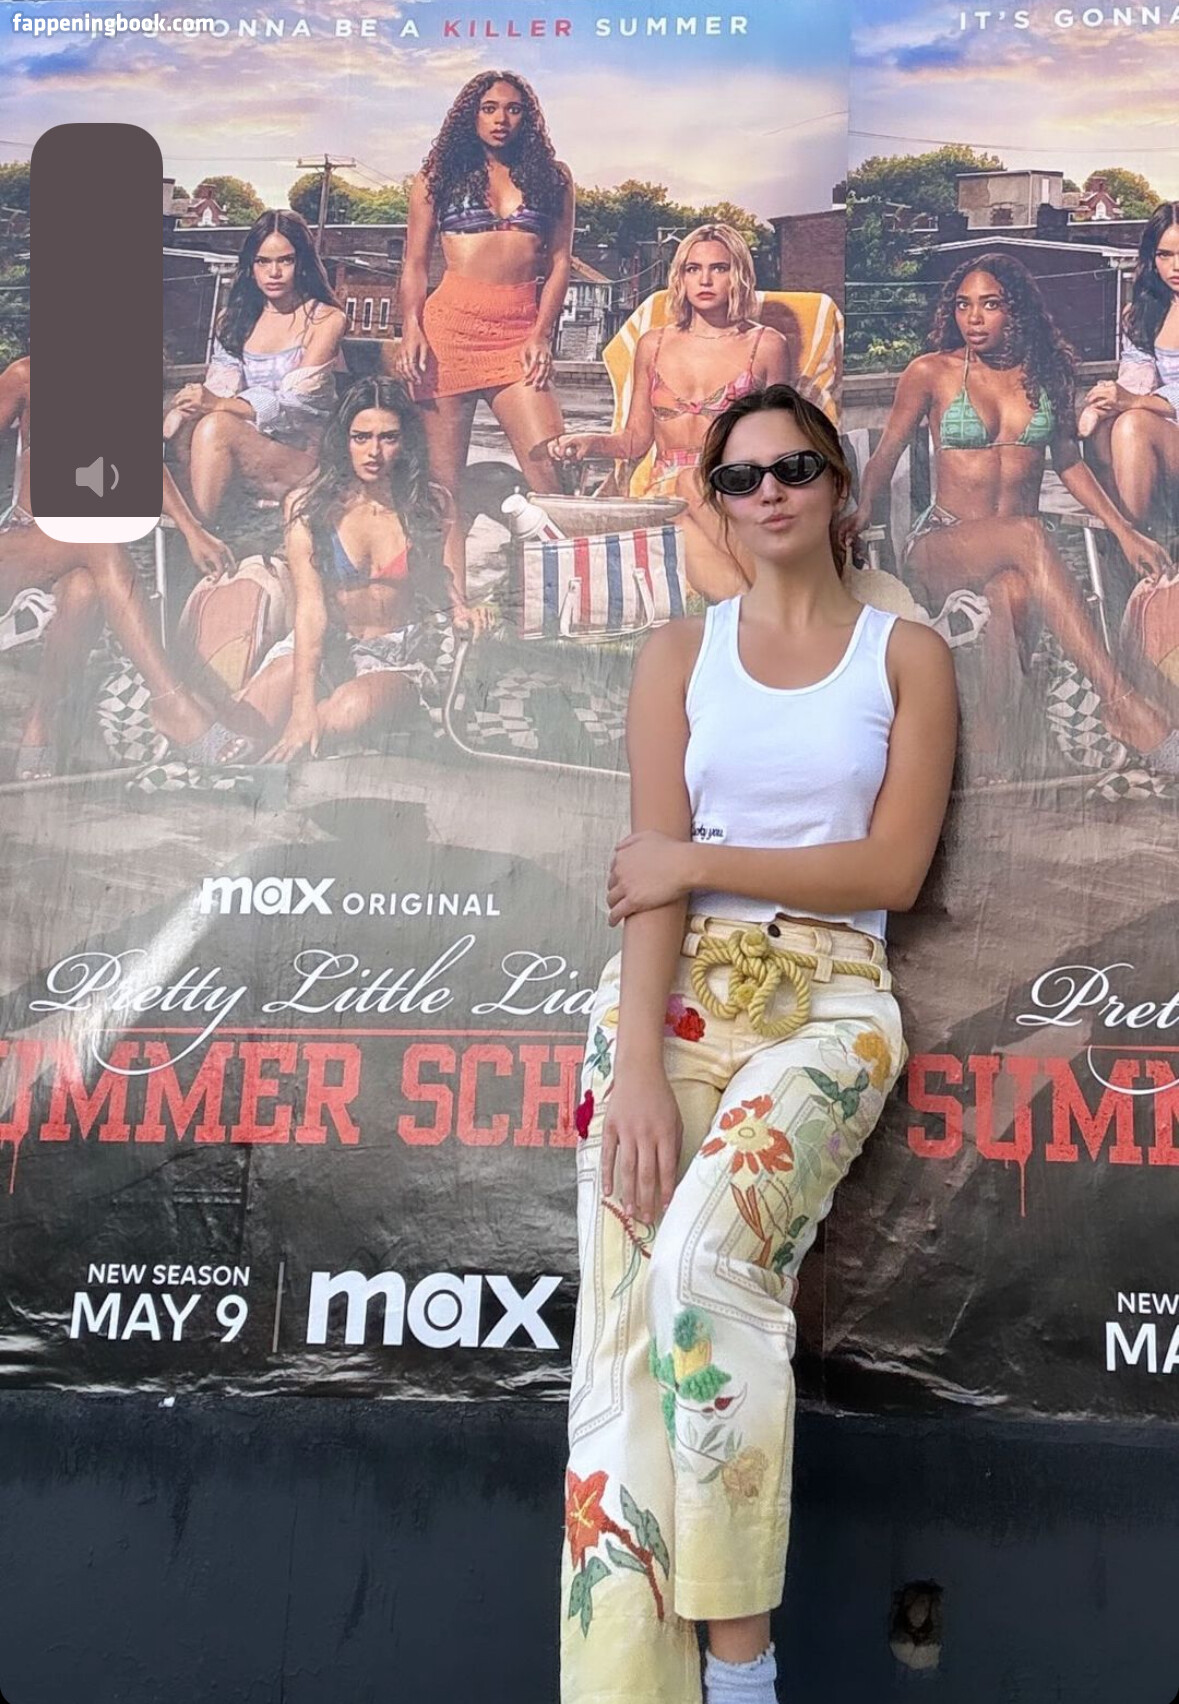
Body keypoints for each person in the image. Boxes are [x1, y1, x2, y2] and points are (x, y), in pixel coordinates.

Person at [561, 384, 957, 1704]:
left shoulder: (904, 657)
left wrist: (697, 859)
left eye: (793, 467)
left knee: (701, 1268)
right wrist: (631, 1066)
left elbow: (890, 869)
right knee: (620, 1347)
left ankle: (740, 1668)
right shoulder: (678, 654)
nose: (768, 491)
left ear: (839, 485)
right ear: (717, 503)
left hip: (831, 1002)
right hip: (669, 1003)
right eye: (739, 477)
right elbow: (647, 885)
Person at [846, 252, 1179, 772]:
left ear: (1016, 310)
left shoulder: (1045, 375)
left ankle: (992, 748)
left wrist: (1124, 531)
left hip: (1023, 554)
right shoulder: (931, 372)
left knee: (1014, 591)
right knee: (1028, 533)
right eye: (963, 305)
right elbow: (887, 452)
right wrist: (862, 510)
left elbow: (1068, 463)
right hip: (944, 544)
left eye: (990, 304)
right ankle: (1123, 704)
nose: (973, 318)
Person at [0, 356, 245, 779]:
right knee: (97, 539)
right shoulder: (27, 376)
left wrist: (192, 530)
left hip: (75, 555)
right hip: (19, 546)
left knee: (85, 589)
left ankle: (39, 726)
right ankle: (170, 700)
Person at [552, 223, 793, 602]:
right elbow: (635, 441)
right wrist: (590, 441)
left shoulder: (766, 346)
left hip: (735, 485)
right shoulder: (654, 344)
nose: (705, 280)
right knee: (676, 508)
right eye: (693, 269)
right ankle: (765, 606)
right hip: (665, 490)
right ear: (680, 277)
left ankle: (765, 603)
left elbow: (780, 440)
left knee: (690, 482)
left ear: (740, 275)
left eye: (719, 268)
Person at [235, 378, 463, 761]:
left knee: (343, 714)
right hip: (323, 644)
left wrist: (461, 606)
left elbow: (439, 577)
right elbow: (310, 608)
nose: (374, 452)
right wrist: (302, 707)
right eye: (361, 437)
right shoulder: (309, 506)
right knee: (242, 728)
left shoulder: (429, 505)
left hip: (394, 654)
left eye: (388, 438)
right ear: (344, 440)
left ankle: (281, 766)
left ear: (406, 442)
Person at [397, 70, 574, 543]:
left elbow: (559, 263)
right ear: (470, 116)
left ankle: (559, 583)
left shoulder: (553, 178)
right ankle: (452, 590)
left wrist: (541, 334)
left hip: (518, 336)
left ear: (527, 118)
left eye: (513, 109)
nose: (501, 119)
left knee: (551, 474)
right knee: (443, 492)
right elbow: (415, 264)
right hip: (448, 336)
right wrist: (411, 328)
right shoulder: (437, 178)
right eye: (489, 108)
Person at [166, 209, 347, 524]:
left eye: (285, 260)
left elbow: (297, 405)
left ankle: (196, 536)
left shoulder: (326, 319)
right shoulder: (233, 319)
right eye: (263, 261)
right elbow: (220, 387)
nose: (273, 272)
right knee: (182, 424)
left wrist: (220, 404)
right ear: (251, 266)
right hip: (241, 444)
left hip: (301, 456)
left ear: (302, 263)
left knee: (217, 425)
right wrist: (184, 410)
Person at [1080, 202, 1179, 534]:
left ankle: (1135, 546)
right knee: (1103, 428)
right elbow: (1136, 376)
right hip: (1168, 444)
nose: (1175, 266)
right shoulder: (1141, 313)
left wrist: (1135, 402)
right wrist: (1107, 402)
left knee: (1133, 423)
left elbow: (1137, 402)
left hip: (1158, 432)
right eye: (1164, 255)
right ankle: (1127, 539)